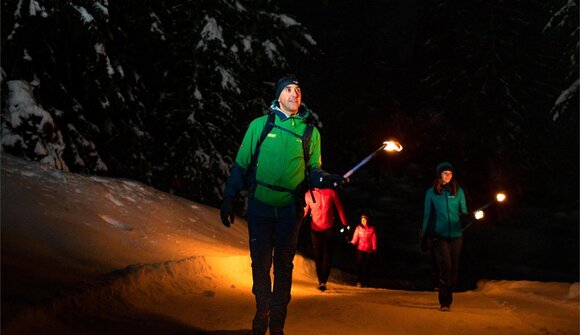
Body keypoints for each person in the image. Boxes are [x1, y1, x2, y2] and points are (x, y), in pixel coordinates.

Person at [220, 74, 345, 335]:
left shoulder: (311, 132)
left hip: (290, 210)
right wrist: (229, 197)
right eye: (288, 89)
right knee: (261, 264)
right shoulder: (260, 125)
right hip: (260, 206)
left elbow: (313, 171)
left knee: (284, 267)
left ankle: (277, 321)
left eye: (298, 90)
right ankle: (262, 310)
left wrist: (327, 180)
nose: (294, 94)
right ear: (279, 95)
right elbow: (241, 165)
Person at [421, 162, 468, 312]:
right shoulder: (431, 193)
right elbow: (427, 215)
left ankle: (449, 293)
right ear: (439, 175)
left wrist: (467, 216)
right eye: (445, 173)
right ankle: (444, 301)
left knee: (453, 271)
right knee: (445, 267)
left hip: (456, 236)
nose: (448, 176)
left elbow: (464, 210)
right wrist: (424, 236)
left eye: (450, 173)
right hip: (439, 235)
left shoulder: (458, 191)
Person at [303, 187, 349, 291]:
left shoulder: (330, 192)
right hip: (316, 230)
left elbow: (339, 208)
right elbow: (305, 211)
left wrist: (345, 224)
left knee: (326, 256)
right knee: (319, 256)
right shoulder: (309, 194)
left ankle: (323, 281)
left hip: (328, 229)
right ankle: (321, 281)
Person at [350, 213, 377, 287]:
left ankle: (367, 282)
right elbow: (355, 237)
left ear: (368, 220)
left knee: (368, 266)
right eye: (362, 220)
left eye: (364, 220)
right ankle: (359, 281)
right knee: (359, 265)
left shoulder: (372, 229)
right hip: (360, 249)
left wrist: (374, 247)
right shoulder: (358, 228)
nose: (363, 221)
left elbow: (373, 239)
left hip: (369, 250)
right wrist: (352, 242)